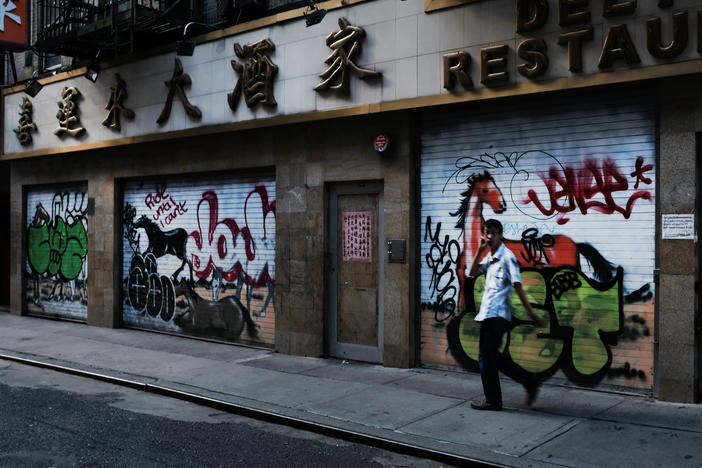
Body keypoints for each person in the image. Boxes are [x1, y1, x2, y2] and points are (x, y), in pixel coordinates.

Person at [467, 219, 548, 411]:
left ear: (501, 235)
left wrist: (533, 315)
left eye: (493, 233)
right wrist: (479, 250)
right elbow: (471, 274)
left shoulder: (507, 257)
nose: (489, 236)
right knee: (493, 358)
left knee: (485, 359)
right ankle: (530, 381)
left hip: (497, 316)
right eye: (486, 232)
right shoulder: (490, 258)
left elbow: (518, 287)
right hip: (487, 315)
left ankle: (493, 400)